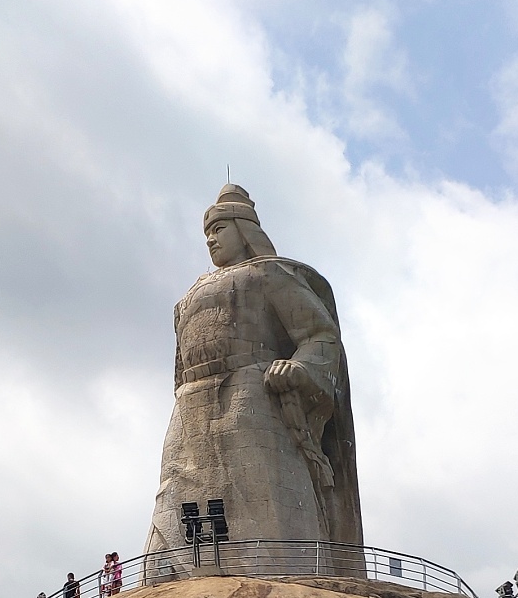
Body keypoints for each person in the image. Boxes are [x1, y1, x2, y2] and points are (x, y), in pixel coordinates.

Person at [144, 183, 362, 567]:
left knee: (263, 492)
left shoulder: (269, 274)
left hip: (251, 392)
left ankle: (283, 566)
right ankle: (172, 572)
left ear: (244, 230)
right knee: (175, 495)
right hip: (191, 402)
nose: (211, 240)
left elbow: (320, 335)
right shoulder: (187, 297)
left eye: (220, 229)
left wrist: (299, 368)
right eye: (207, 233)